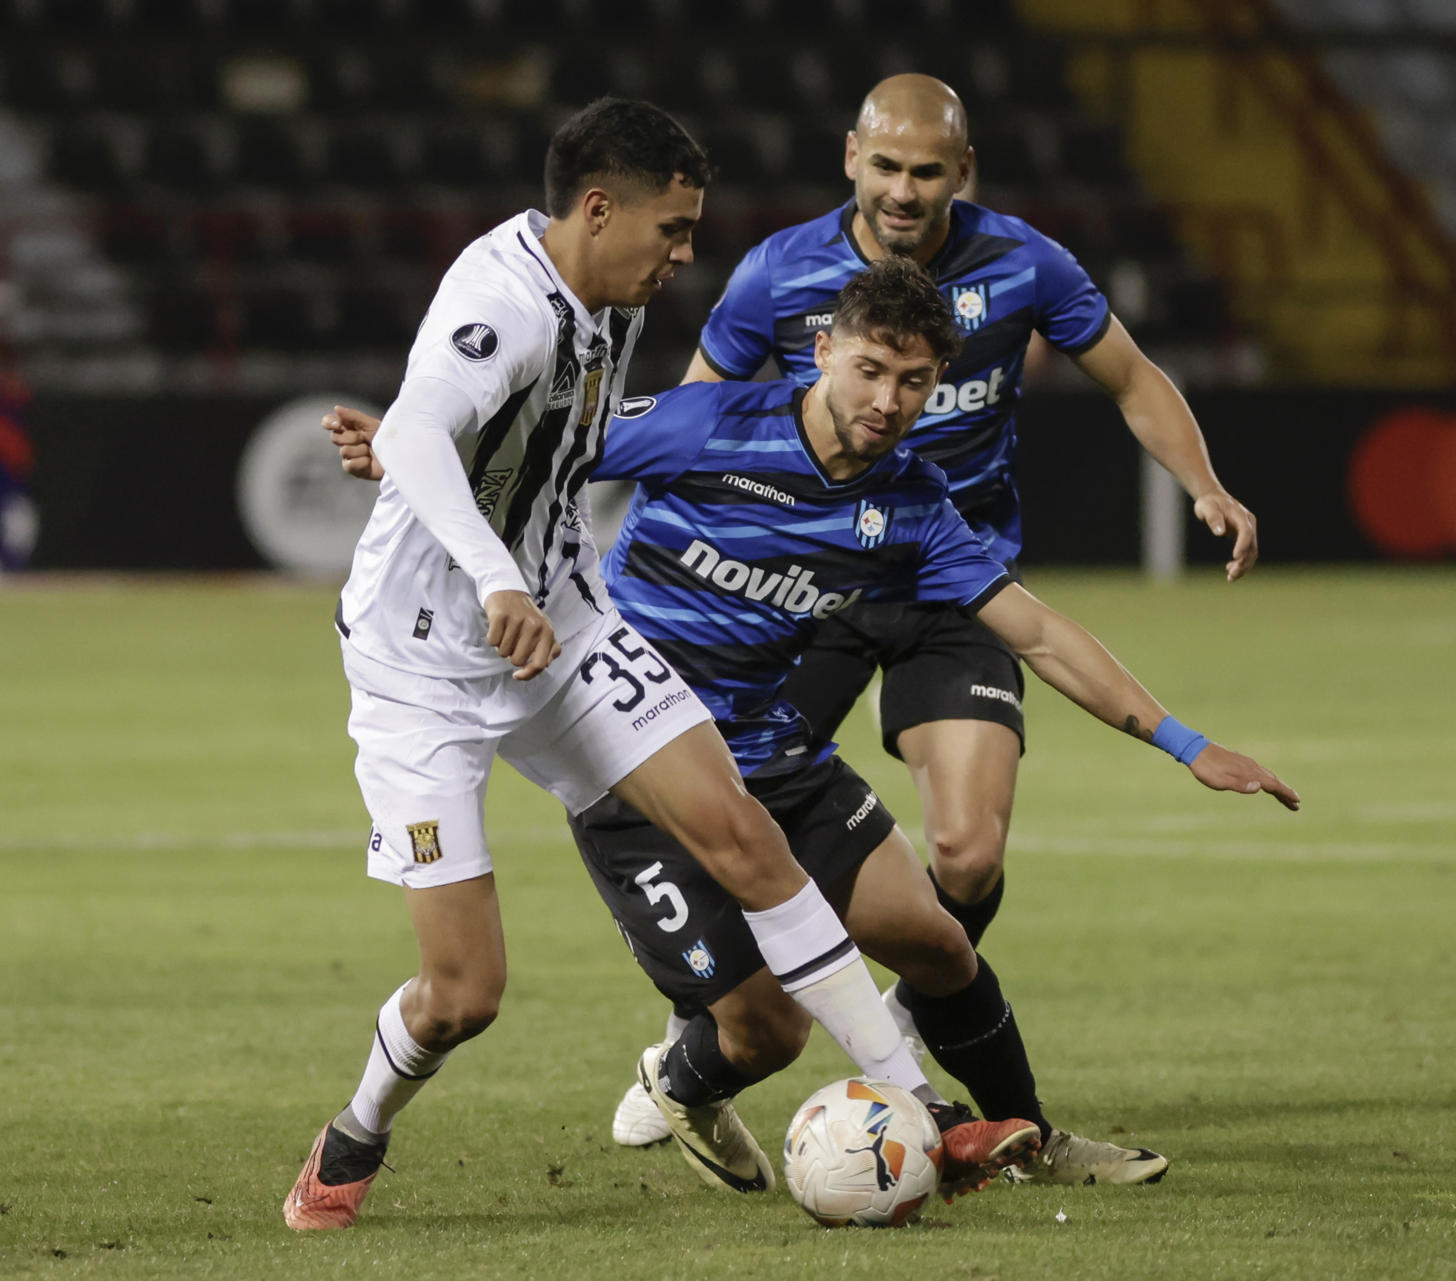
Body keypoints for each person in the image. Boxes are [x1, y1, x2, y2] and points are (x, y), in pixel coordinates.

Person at [333, 258, 1299, 1190]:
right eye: (871, 369)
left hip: (776, 758)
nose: (887, 399)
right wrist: (400, 444)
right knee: (764, 1030)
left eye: (915, 380)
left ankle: (1027, 1139)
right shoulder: (705, 422)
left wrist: (1186, 743)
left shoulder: (914, 504)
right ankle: (681, 1082)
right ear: (823, 351)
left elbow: (1037, 633)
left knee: (939, 945)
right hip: (643, 770)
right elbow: (542, 444)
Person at [286, 99, 1025, 1232]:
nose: (683, 256)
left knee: (748, 836)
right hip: (426, 665)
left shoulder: (603, 303)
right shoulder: (503, 302)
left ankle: (923, 1109)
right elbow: (429, 428)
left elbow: (486, 443)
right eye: (672, 231)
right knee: (460, 998)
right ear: (597, 209)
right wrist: (485, 564)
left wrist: (412, 462)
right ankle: (353, 1135)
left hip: (566, 629)